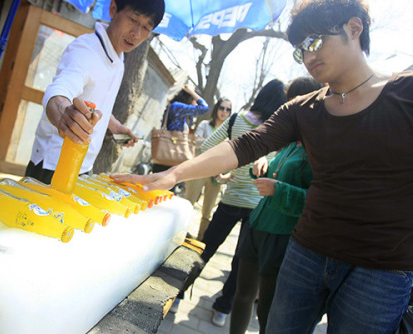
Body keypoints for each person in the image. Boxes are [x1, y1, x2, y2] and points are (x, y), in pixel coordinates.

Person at [111, 0, 413, 332]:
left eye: (314, 41)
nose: (307, 56)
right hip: (306, 253)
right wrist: (172, 174)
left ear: (354, 28)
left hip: (382, 268)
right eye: (300, 49)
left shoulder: (404, 91)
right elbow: (246, 145)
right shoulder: (303, 109)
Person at [171, 80, 287, 321]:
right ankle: (223, 308)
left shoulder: (235, 120)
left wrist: (222, 171)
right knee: (241, 262)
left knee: (205, 247)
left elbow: (210, 147)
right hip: (257, 205)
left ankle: (177, 294)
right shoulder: (278, 130)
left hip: (231, 199)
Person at [25, 0, 165, 184]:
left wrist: (115, 127)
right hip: (53, 166)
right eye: (133, 19)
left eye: (146, 27)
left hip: (83, 167)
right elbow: (60, 90)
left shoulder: (118, 58)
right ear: (113, 9)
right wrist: (64, 116)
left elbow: (98, 102)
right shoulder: (86, 50)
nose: (136, 34)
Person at [230, 77, 324, 334]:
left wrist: (278, 189)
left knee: (267, 310)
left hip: (282, 235)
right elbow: (274, 171)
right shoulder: (292, 140)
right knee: (242, 295)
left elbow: (320, 200)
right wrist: (261, 165)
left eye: (294, 100)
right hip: (258, 224)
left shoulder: (321, 148)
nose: (289, 106)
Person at [184, 98, 232, 241]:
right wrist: (216, 142)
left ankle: (200, 240)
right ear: (217, 109)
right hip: (199, 170)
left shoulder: (230, 132)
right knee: (188, 203)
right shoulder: (205, 125)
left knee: (208, 211)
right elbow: (194, 142)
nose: (224, 112)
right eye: (222, 108)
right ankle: (180, 232)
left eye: (228, 109)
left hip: (216, 175)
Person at [152, 83, 209, 174]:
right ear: (190, 97)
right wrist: (191, 91)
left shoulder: (185, 115)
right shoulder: (177, 107)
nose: (196, 104)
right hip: (167, 155)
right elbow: (204, 108)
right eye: (196, 100)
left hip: (175, 158)